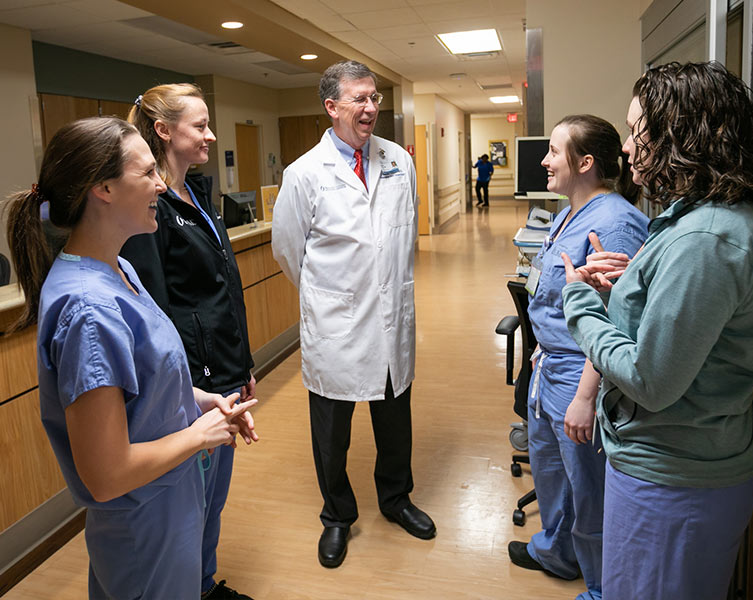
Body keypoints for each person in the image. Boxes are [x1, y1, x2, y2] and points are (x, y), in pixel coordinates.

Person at [560, 62, 753, 600]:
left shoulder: (707, 239)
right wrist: (632, 290)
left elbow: (652, 379)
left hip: (674, 474)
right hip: (689, 457)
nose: (629, 150)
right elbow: (695, 328)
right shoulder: (714, 218)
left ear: (678, 134)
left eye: (637, 131)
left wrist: (581, 304)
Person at [5, 116, 257, 599]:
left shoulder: (117, 268)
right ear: (102, 187)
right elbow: (106, 475)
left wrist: (198, 400)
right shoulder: (89, 310)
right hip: (145, 528)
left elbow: (143, 381)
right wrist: (196, 436)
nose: (162, 186)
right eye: (147, 174)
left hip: (170, 506)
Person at [272, 60, 435, 569]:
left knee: (394, 422)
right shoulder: (303, 174)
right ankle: (337, 516)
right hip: (337, 329)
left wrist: (385, 289)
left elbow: (403, 237)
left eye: (374, 99)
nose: (371, 108)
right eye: (359, 100)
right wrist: (334, 297)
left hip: (391, 320)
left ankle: (395, 499)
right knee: (332, 434)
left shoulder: (397, 161)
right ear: (332, 107)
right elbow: (288, 252)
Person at [120, 83, 256, 600]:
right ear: (163, 130)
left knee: (211, 500)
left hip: (222, 374)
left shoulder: (194, 194)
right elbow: (154, 313)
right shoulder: (150, 210)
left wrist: (241, 363)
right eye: (199, 126)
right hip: (191, 389)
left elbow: (223, 286)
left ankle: (202, 584)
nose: (210, 135)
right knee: (191, 504)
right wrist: (188, 388)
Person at [507, 115, 649, 600]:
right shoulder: (570, 210)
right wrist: (541, 348)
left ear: (585, 163)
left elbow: (616, 321)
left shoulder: (616, 223)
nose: (544, 160)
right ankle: (557, 552)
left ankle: (603, 587)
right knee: (551, 474)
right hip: (550, 364)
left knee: (589, 490)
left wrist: (586, 396)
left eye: (553, 151)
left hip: (581, 373)